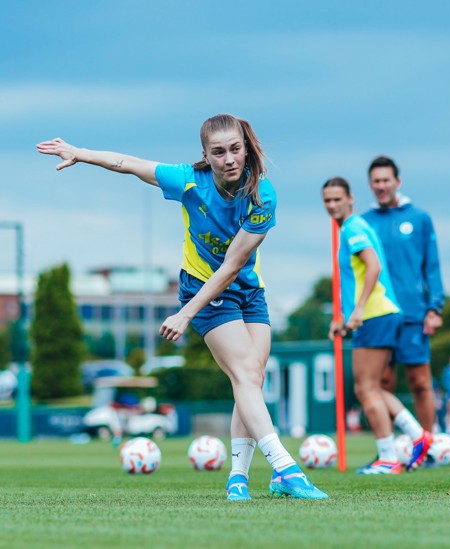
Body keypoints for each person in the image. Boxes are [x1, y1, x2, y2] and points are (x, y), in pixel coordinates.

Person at [36, 115, 328, 500]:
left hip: (246, 288)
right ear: (205, 155)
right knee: (245, 374)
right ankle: (286, 469)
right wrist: (80, 154)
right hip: (202, 288)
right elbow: (128, 164)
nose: (229, 159)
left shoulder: (263, 196)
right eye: (218, 152)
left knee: (250, 380)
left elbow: (233, 265)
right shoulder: (189, 180)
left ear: (245, 147)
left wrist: (185, 314)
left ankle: (238, 479)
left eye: (235, 149)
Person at [322, 177, 432, 474]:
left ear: (350, 199)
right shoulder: (354, 227)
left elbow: (374, 267)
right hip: (379, 313)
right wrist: (343, 320)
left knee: (365, 389)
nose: (332, 206)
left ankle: (388, 457)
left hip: (375, 314)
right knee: (372, 387)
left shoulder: (353, 228)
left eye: (337, 199)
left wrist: (357, 311)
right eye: (327, 201)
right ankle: (418, 435)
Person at [361, 156, 444, 434]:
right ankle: (391, 447)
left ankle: (428, 445)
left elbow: (431, 266)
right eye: (376, 181)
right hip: (379, 314)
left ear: (398, 182)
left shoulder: (419, 218)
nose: (381, 186)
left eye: (386, 180)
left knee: (420, 382)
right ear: (370, 185)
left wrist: (435, 308)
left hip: (413, 313)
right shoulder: (364, 222)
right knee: (382, 384)